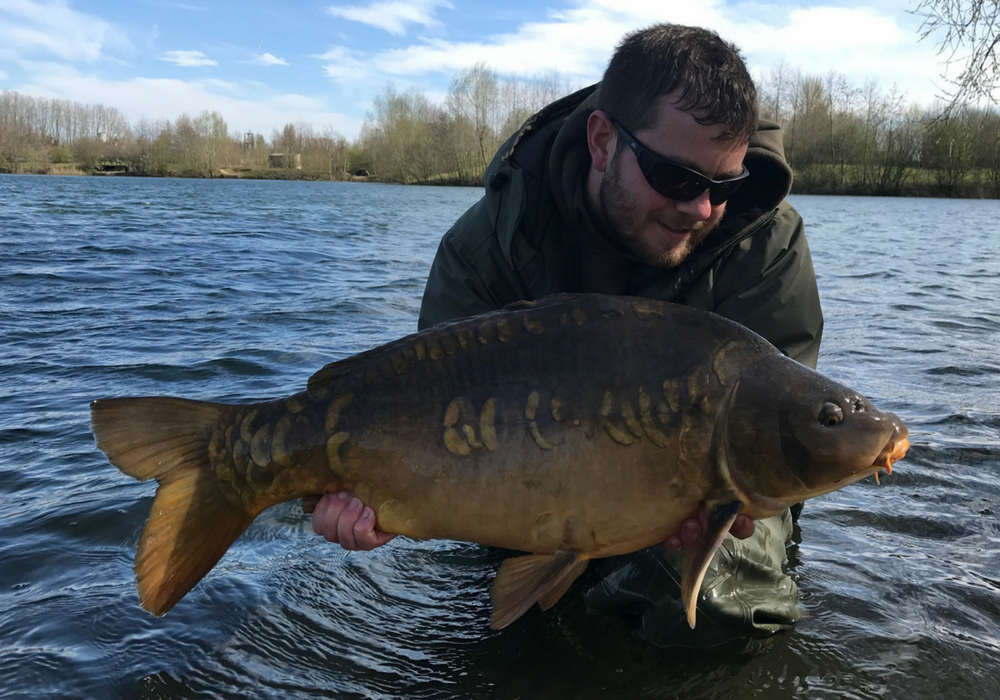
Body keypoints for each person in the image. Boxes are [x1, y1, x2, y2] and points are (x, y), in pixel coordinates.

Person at [311, 23, 822, 648]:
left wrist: (726, 505)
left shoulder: (765, 243)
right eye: (678, 178)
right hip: (523, 489)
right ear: (603, 141)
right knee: (529, 635)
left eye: (723, 186)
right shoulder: (487, 246)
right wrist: (384, 499)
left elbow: (781, 430)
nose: (701, 209)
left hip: (707, 494)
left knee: (713, 599)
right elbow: (437, 426)